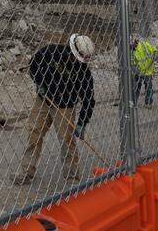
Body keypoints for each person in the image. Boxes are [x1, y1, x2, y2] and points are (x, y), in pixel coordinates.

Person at [14, 33, 96, 186]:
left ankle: (72, 177)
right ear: (72, 50)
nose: (75, 61)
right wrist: (40, 85)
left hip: (65, 107)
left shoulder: (83, 71)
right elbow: (33, 65)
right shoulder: (51, 52)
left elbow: (89, 99)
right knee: (34, 133)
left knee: (67, 141)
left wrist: (82, 123)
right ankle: (26, 172)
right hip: (43, 100)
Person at [132, 34, 157, 108]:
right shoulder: (130, 51)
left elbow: (154, 50)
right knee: (136, 87)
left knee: (148, 87)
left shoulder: (144, 45)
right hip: (137, 72)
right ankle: (134, 102)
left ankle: (148, 103)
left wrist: (152, 61)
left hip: (147, 71)